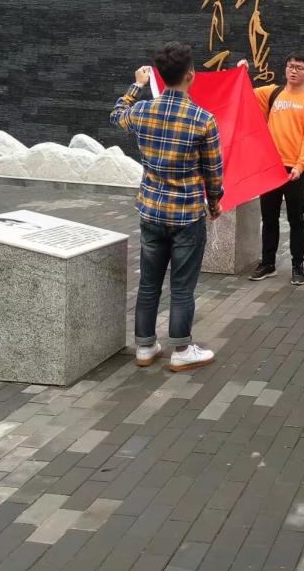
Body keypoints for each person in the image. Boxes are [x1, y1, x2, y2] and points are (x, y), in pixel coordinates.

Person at [110, 43, 223, 372]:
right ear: (191, 75)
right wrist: (215, 202)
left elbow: (116, 114)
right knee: (182, 286)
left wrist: (137, 85)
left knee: (149, 283)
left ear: (158, 74)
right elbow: (213, 171)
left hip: (151, 211)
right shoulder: (202, 119)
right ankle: (181, 349)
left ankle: (145, 347)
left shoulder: (142, 111)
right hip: (187, 214)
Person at [239, 55, 304, 286]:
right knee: (269, 218)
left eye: (299, 68)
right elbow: (244, 94)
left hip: (295, 169)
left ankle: (298, 266)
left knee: (296, 219)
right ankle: (268, 263)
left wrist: (300, 165)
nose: (293, 71)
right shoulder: (273, 93)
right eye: (290, 66)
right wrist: (243, 72)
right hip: (270, 167)